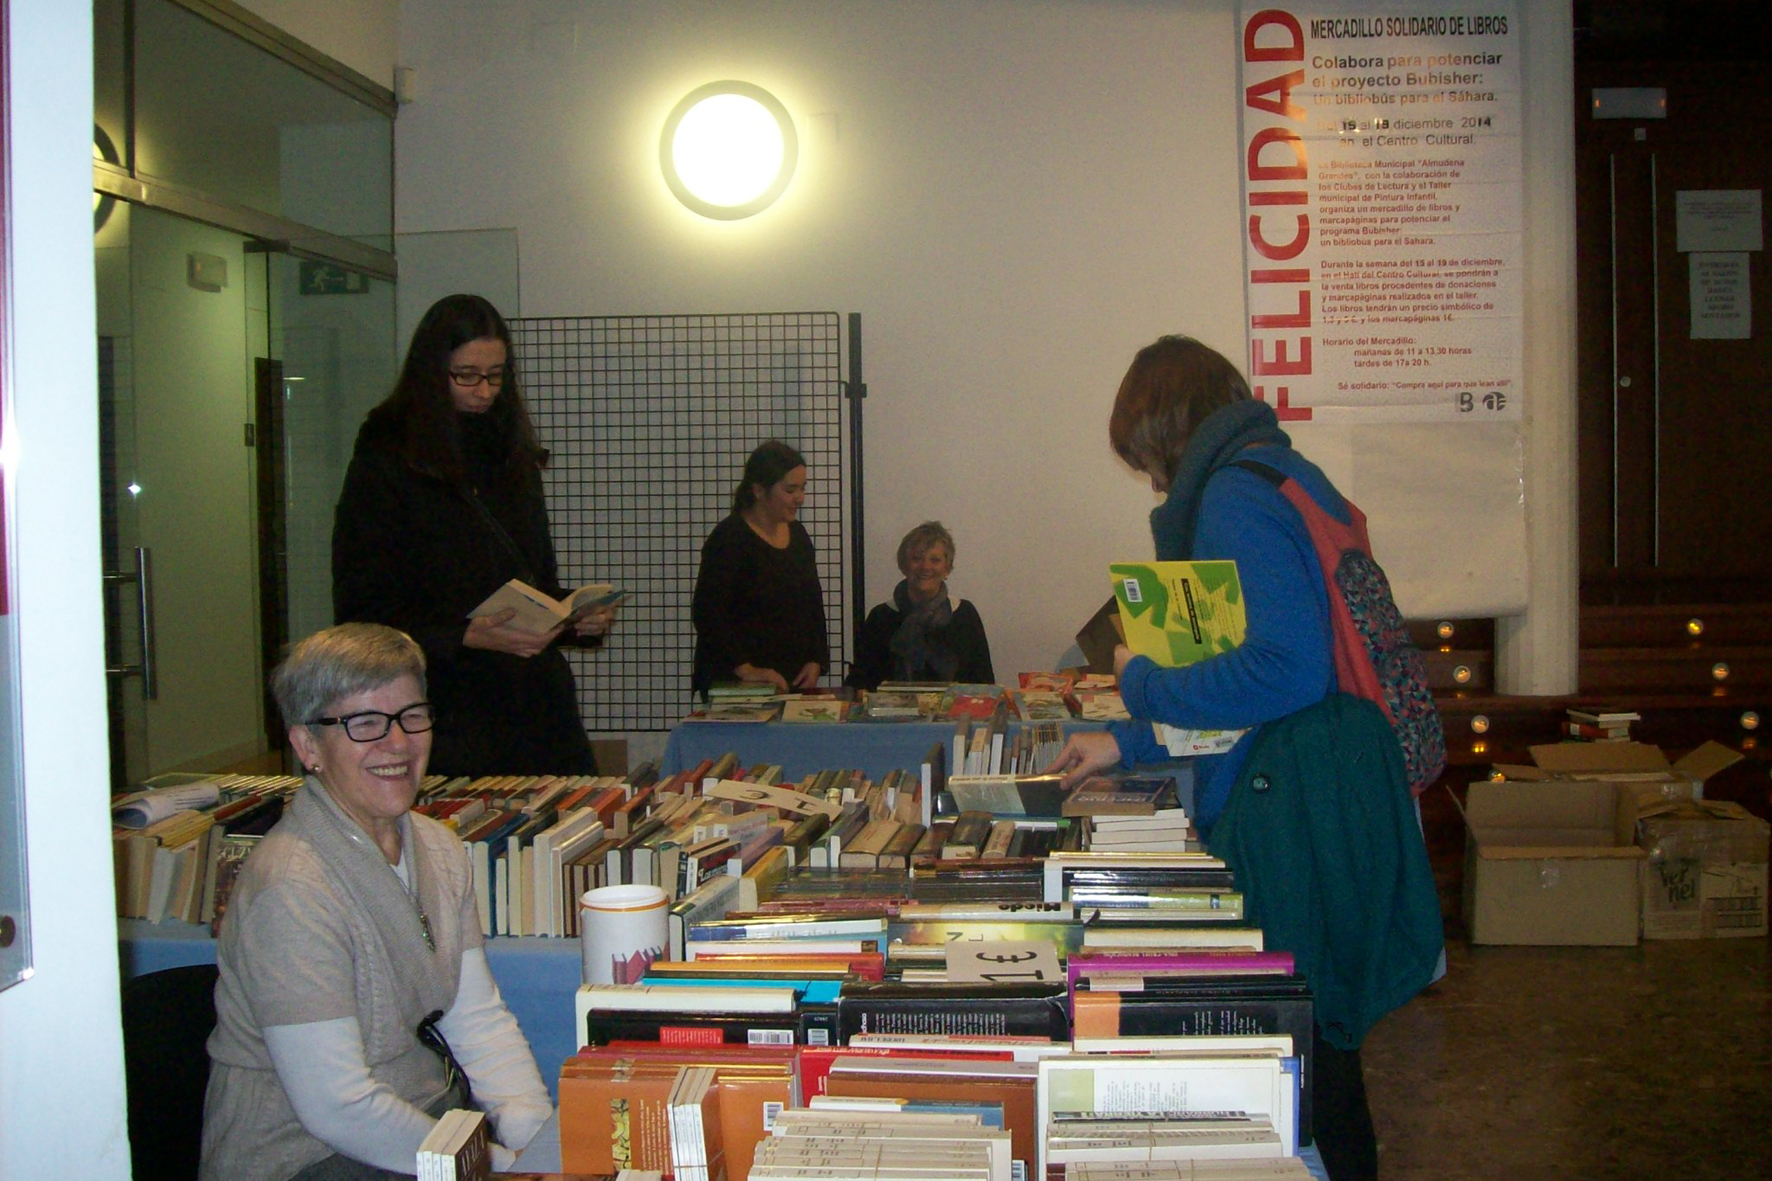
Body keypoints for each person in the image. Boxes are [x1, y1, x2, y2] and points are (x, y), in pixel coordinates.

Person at [1045, 335, 1437, 1181]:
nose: (1155, 483)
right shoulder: (1284, 472)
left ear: (1163, 431)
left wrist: (1141, 682)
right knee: (1323, 1047)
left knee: (1303, 1055)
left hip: (1294, 795)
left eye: (1147, 461)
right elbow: (1248, 679)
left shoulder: (1231, 497)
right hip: (1335, 777)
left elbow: (1283, 671)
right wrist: (1127, 739)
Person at [201, 623, 552, 1180]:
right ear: (307, 746)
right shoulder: (292, 888)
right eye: (364, 723)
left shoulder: (437, 847)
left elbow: (475, 1019)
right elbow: (338, 1109)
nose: (399, 743)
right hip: (307, 1156)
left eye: (411, 715)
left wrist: (539, 1144)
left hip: (424, 1127)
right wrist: (498, 1166)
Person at [331, 293, 612, 776]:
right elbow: (362, 609)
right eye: (466, 375)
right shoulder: (387, 455)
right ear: (430, 372)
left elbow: (531, 580)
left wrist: (571, 615)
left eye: (496, 376)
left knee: (569, 817)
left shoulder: (510, 451)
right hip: (445, 703)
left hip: (536, 705)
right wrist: (465, 635)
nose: (484, 391)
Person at [691, 439, 830, 697]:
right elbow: (708, 613)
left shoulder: (799, 536)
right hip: (736, 681)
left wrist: (816, 659)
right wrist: (746, 669)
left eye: (803, 488)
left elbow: (813, 603)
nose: (800, 498)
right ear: (758, 490)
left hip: (791, 676)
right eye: (790, 490)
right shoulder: (729, 539)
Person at [844, 520, 994, 690]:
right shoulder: (880, 617)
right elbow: (861, 684)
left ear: (947, 568)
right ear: (904, 565)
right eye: (917, 559)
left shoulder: (964, 615)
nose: (925, 567)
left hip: (956, 708)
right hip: (892, 708)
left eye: (935, 560)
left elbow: (985, 685)